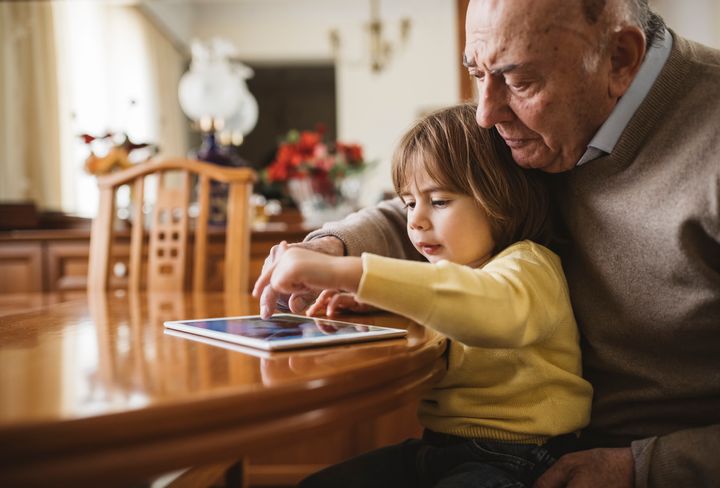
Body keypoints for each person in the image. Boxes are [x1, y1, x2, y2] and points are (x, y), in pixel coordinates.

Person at [254, 0, 720, 485]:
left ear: (619, 59)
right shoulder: (546, 124)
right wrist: (331, 248)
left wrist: (644, 467)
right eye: (478, 73)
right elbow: (442, 203)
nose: (485, 115)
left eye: (520, 82)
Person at [268, 103, 593, 487]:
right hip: (438, 448)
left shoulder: (530, 265)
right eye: (408, 203)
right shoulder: (452, 272)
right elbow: (441, 295)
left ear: (500, 197)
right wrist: (375, 296)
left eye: (438, 201)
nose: (416, 220)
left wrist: (347, 272)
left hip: (520, 457)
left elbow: (487, 309)